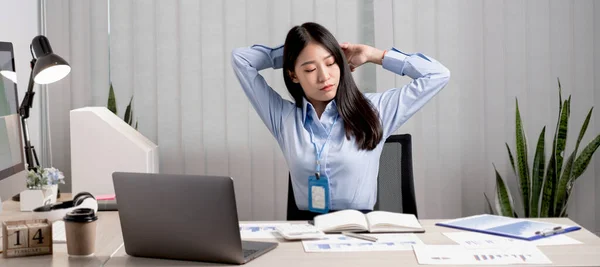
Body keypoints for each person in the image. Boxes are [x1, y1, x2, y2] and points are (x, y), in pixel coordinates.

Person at [231, 22, 450, 220]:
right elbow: (241, 60)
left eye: (331, 62)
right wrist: (291, 50)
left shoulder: (376, 110)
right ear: (294, 75)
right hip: (305, 234)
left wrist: (374, 54)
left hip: (359, 232)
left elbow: (437, 75)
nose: (324, 76)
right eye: (310, 68)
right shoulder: (283, 118)